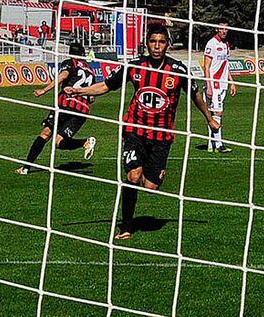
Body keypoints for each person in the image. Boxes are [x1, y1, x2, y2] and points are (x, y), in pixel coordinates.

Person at [65, 23, 220, 240]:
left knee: (151, 185)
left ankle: (154, 176)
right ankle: (126, 227)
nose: (157, 46)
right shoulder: (134, 66)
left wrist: (210, 119)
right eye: (153, 42)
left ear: (168, 45)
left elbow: (195, 96)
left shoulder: (178, 70)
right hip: (134, 130)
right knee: (133, 176)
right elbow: (106, 86)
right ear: (147, 44)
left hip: (162, 135)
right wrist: (79, 90)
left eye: (161, 42)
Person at [15, 42, 97, 175]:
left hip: (65, 105)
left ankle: (26, 168)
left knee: (46, 134)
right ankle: (85, 142)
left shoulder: (70, 63)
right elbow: (92, 97)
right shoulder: (91, 71)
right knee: (55, 140)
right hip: (81, 110)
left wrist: (44, 90)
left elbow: (63, 76)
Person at [202, 20, 237, 153]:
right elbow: (207, 66)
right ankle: (220, 145)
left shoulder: (226, 44)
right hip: (214, 83)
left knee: (213, 114)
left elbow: (225, 65)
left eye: (226, 29)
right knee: (217, 113)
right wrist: (209, 85)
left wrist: (232, 82)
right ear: (216, 29)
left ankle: (211, 145)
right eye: (221, 29)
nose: (223, 31)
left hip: (223, 84)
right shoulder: (212, 43)